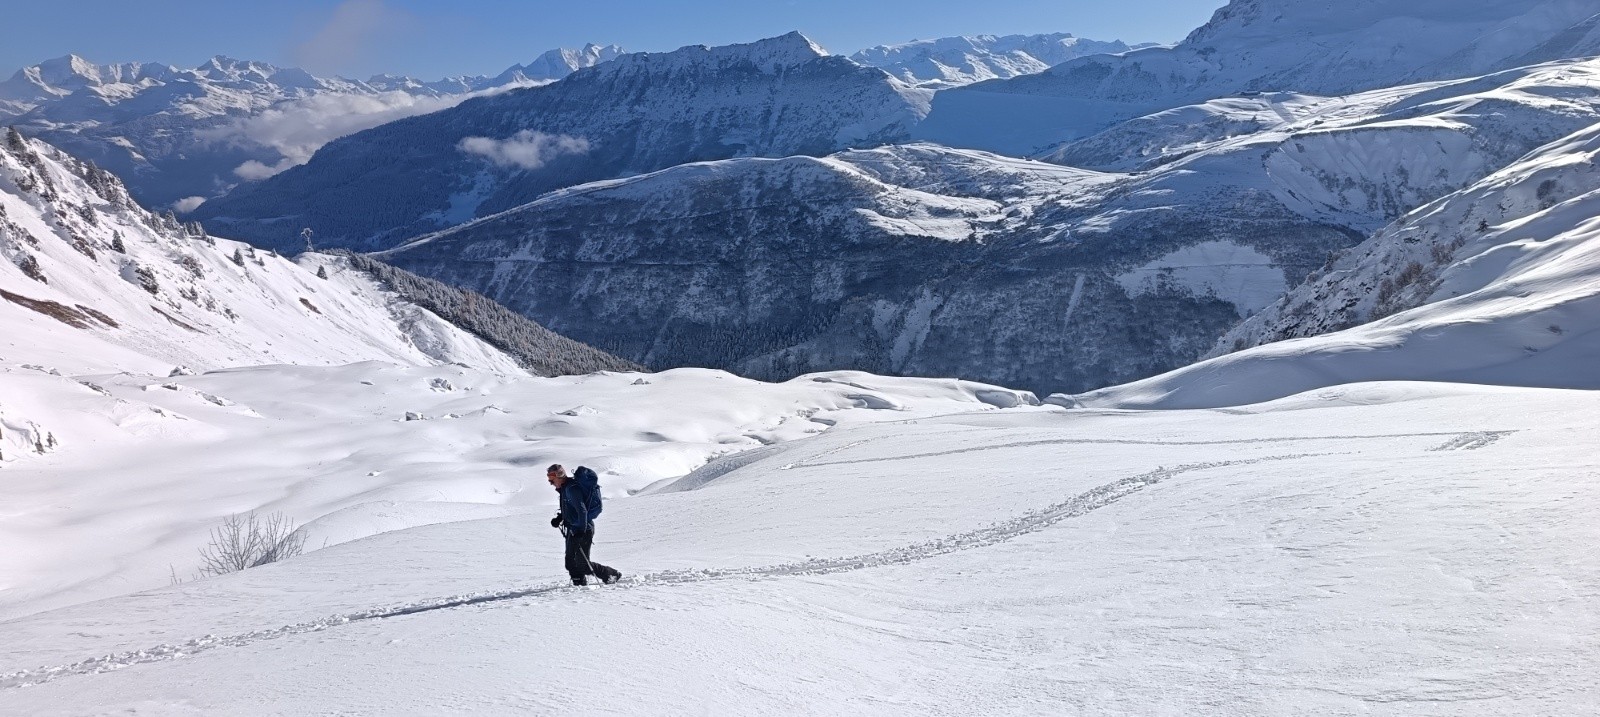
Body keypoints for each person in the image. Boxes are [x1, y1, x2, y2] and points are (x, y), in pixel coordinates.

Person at [548, 463, 623, 586]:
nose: (550, 482)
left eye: (551, 478)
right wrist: (560, 518)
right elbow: (571, 509)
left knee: (582, 563)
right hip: (573, 529)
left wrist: (581, 532)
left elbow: (582, 511)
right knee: (570, 562)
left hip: (583, 529)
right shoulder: (565, 488)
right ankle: (579, 584)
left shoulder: (571, 488)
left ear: (559, 476)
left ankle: (612, 574)